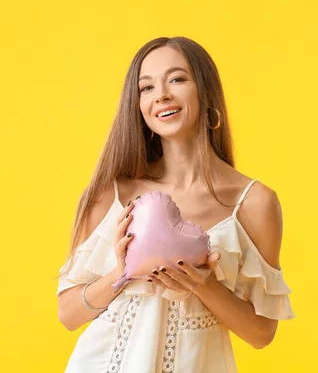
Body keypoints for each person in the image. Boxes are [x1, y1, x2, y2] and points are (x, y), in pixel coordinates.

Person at [56, 36, 295, 373]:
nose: (162, 95)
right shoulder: (109, 193)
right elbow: (67, 314)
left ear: (206, 91)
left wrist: (205, 286)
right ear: (137, 105)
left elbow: (261, 334)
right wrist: (120, 273)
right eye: (147, 87)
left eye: (177, 79)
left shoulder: (255, 202)